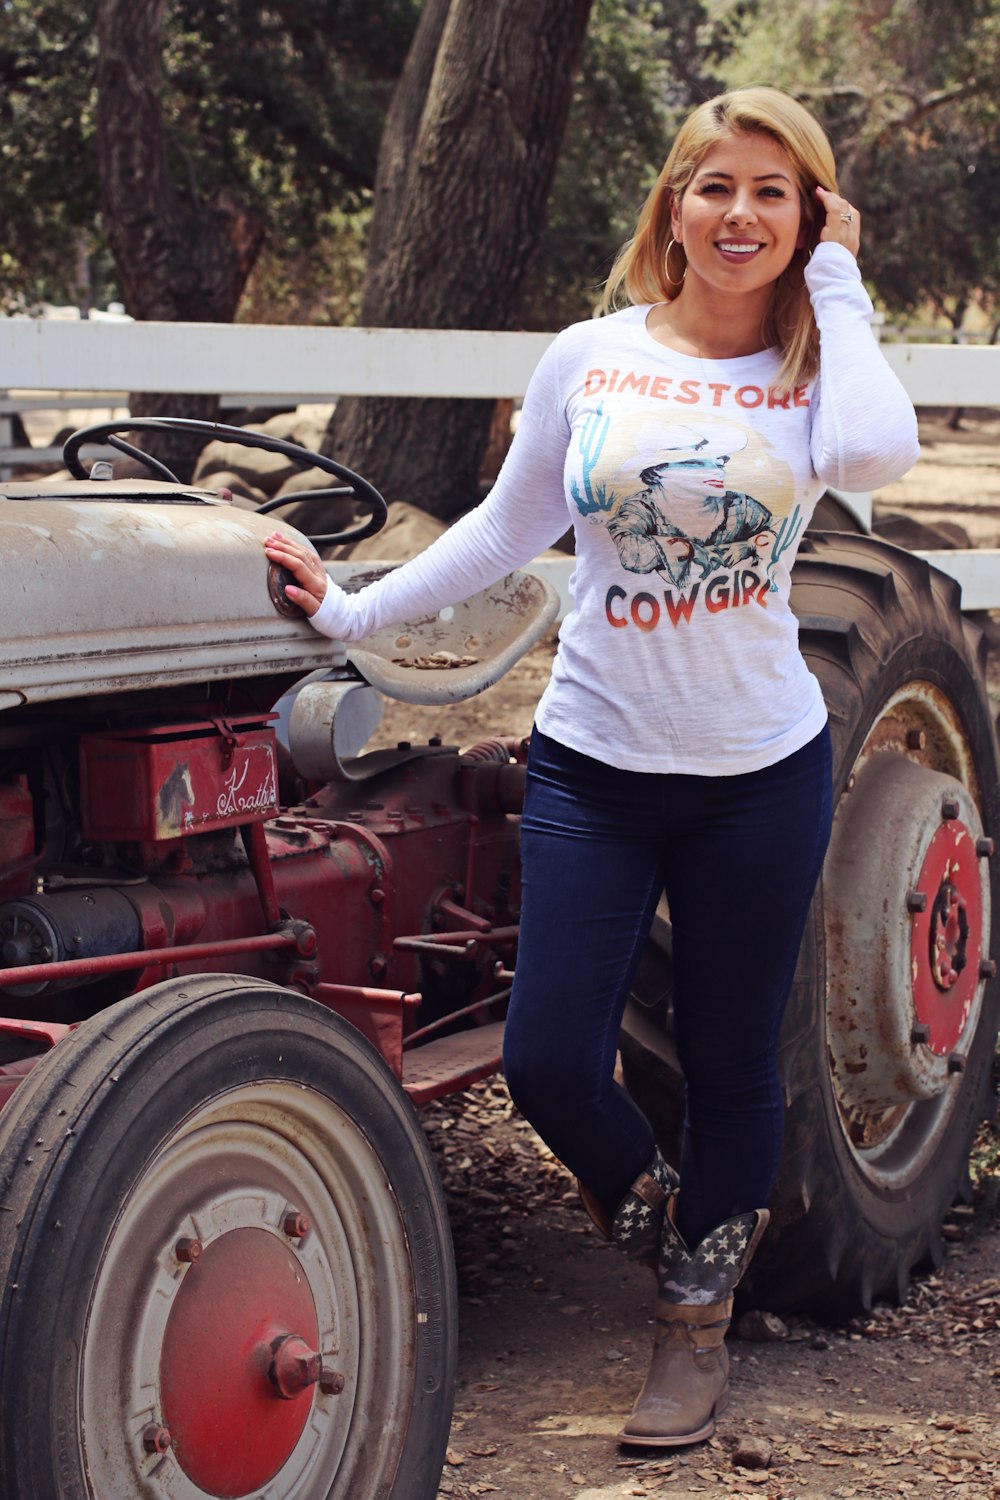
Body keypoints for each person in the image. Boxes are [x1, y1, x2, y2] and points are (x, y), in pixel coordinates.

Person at [264, 86, 919, 1449]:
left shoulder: (816, 374)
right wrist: (353, 610)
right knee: (549, 1055)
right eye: (714, 186)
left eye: (773, 193)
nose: (740, 215)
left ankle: (693, 1321)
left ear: (806, 218)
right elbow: (510, 532)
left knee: (736, 1058)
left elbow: (873, 452)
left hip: (758, 769)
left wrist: (844, 278)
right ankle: (676, 1225)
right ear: (671, 205)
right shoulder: (590, 355)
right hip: (594, 760)